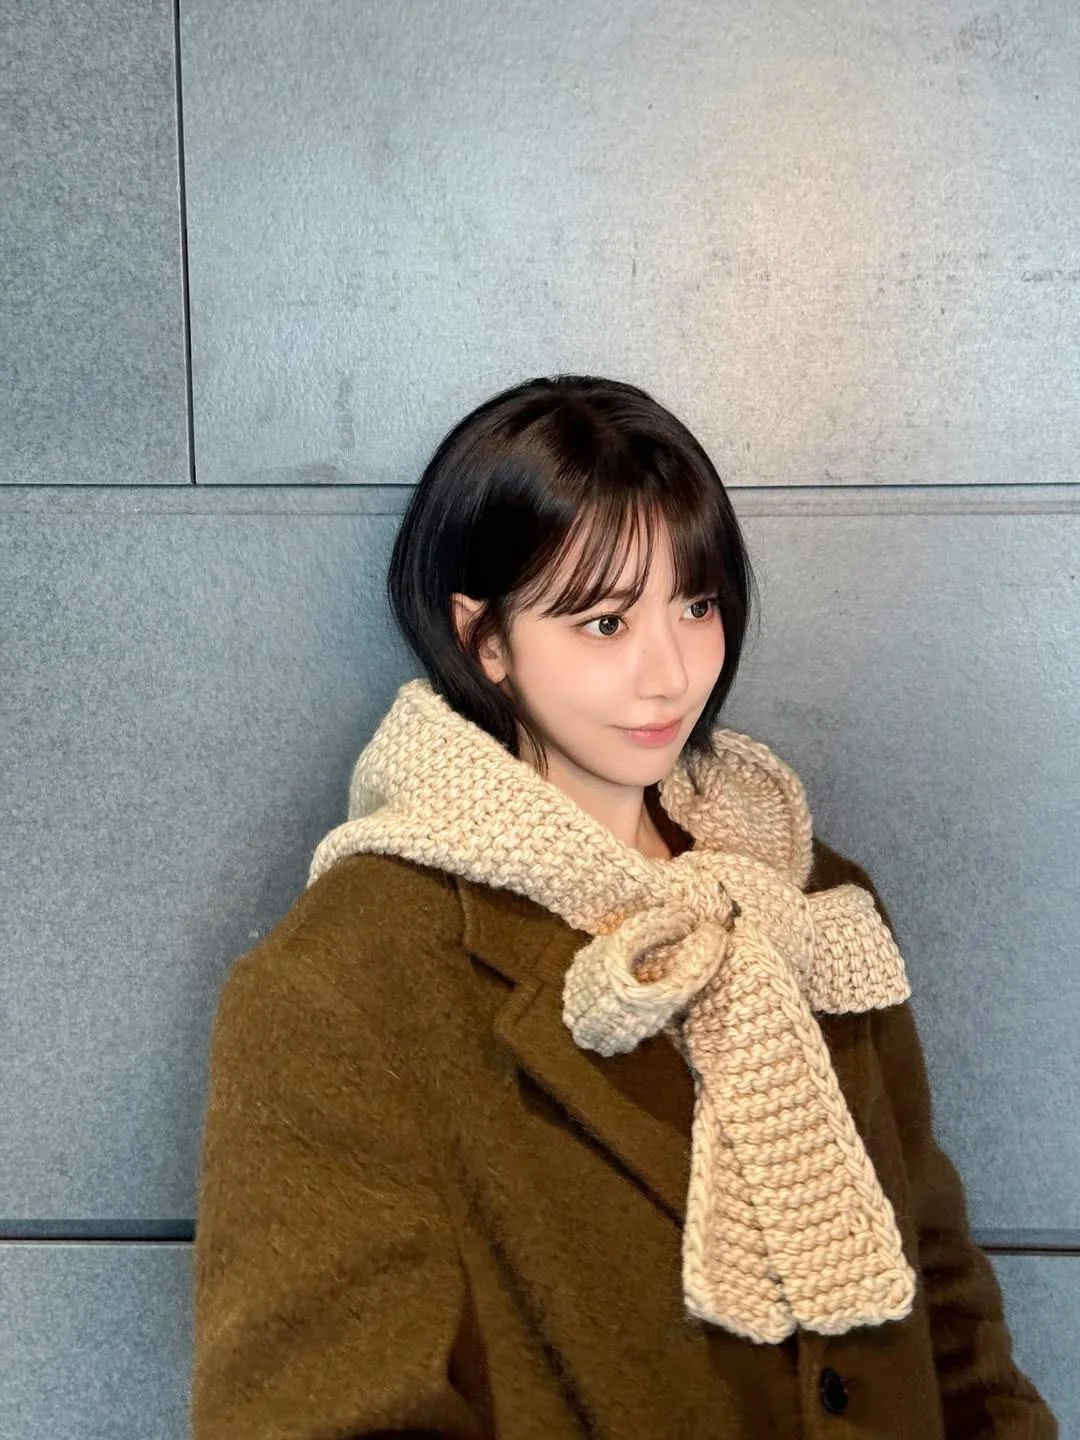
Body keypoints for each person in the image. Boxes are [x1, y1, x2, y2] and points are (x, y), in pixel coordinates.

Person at [190, 375, 1058, 1438]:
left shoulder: (805, 895)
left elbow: (940, 1292)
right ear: (484, 639)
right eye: (604, 622)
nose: (670, 674)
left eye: (696, 605)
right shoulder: (343, 981)